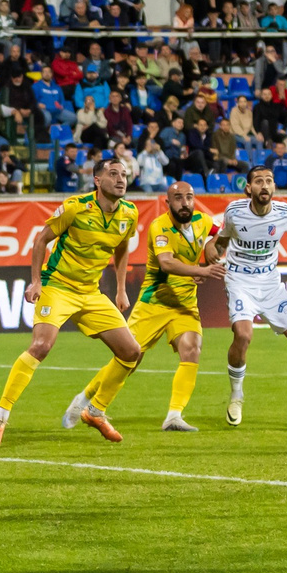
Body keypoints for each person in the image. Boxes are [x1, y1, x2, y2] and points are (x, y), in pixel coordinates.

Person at [0, 152, 145, 445]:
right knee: (41, 346)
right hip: (58, 286)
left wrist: (121, 289)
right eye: (113, 174)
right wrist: (36, 281)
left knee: (131, 352)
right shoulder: (76, 207)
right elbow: (41, 240)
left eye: (124, 175)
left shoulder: (129, 213)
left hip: (90, 292)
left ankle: (96, 410)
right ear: (97, 180)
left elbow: (122, 248)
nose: (121, 179)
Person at [67, 177, 221, 432]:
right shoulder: (159, 226)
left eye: (190, 197)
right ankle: (84, 399)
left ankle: (174, 416)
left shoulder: (203, 221)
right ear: (167, 202)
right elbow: (167, 263)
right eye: (179, 198)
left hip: (185, 305)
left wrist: (214, 245)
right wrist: (201, 270)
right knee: (130, 357)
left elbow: (218, 234)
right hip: (154, 302)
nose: (185, 203)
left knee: (192, 349)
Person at [207, 164, 287, 429]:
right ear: (248, 188)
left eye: (269, 181)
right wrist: (211, 250)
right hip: (240, 281)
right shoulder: (234, 211)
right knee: (243, 335)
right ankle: (236, 396)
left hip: (270, 284)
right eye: (258, 181)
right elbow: (221, 240)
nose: (264, 185)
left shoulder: (284, 213)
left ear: (274, 187)